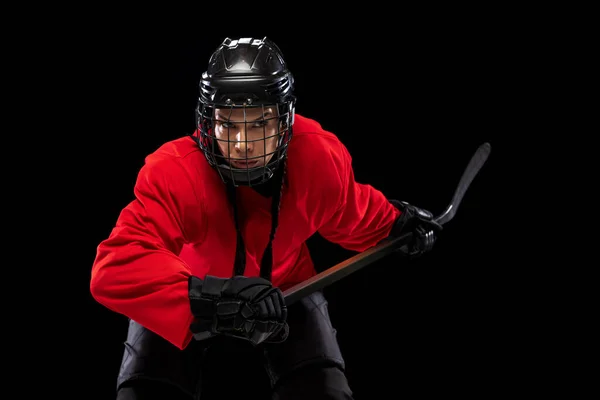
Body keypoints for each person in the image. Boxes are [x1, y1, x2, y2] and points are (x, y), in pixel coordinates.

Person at [90, 36, 443, 400]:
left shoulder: (316, 158)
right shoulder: (176, 172)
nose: (243, 144)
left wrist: (397, 224)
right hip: (189, 293)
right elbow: (115, 266)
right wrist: (210, 297)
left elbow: (351, 210)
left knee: (324, 392)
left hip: (286, 289)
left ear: (285, 121)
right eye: (229, 125)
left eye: (259, 124)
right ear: (208, 123)